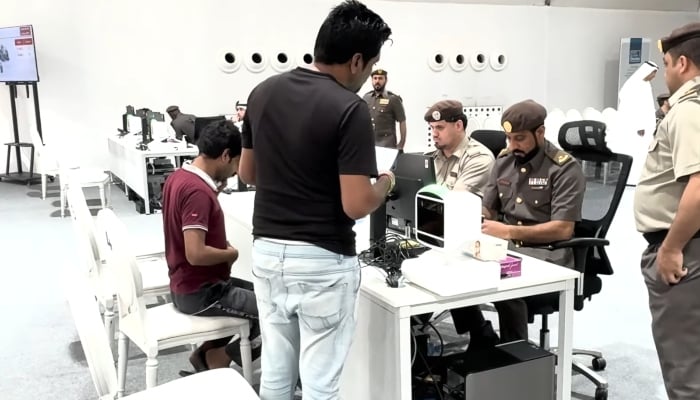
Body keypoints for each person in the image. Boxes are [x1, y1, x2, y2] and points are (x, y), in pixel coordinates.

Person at [238, 1, 394, 398]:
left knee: (276, 371)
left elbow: (247, 173)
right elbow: (356, 204)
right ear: (357, 61)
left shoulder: (262, 92)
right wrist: (386, 184)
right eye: (372, 65)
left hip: (268, 253)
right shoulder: (349, 108)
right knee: (320, 383)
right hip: (322, 260)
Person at [480, 99, 586, 343]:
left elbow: (563, 229)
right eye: (508, 138)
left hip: (547, 253)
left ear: (540, 132)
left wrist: (507, 232)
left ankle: (516, 356)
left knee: (505, 282)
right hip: (507, 249)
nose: (512, 145)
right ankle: (480, 334)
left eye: (519, 138)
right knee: (459, 269)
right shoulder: (504, 161)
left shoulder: (564, 169)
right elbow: (488, 208)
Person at [161, 119, 260, 375]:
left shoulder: (179, 178)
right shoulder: (197, 192)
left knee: (265, 294)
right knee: (275, 312)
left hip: (188, 284)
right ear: (226, 155)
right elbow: (195, 253)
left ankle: (207, 355)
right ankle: (218, 357)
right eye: (237, 163)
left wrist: (213, 192)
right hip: (202, 292)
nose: (237, 172)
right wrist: (231, 253)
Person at [634, 21, 700, 400]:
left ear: (683, 64)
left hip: (686, 251)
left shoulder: (689, 110)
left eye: (667, 63)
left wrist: (671, 248)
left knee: (685, 370)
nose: (666, 72)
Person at [422, 100, 500, 350]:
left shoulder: (478, 157)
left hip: (471, 233)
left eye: (440, 127)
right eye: (432, 128)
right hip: (439, 229)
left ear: (459, 125)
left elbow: (451, 202)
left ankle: (481, 334)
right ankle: (415, 327)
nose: (434, 133)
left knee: (436, 263)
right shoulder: (432, 157)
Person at [617, 61, 659, 186]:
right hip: (636, 129)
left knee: (643, 154)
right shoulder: (634, 85)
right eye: (653, 73)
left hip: (646, 128)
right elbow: (632, 107)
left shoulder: (645, 85)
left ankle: (640, 177)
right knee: (635, 153)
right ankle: (631, 179)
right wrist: (639, 126)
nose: (653, 76)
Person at [362, 68, 407, 149]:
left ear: (386, 80)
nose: (377, 81)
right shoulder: (366, 98)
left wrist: (401, 143)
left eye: (380, 78)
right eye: (375, 78)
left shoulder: (393, 99)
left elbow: (402, 121)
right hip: (369, 144)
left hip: (387, 145)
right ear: (372, 80)